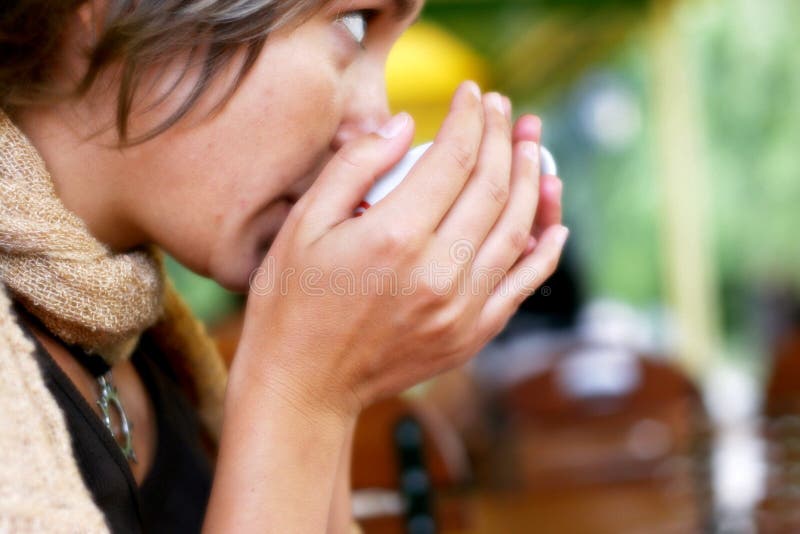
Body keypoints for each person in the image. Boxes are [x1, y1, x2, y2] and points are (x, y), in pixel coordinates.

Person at [0, 0, 568, 531]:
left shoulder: (144, 354)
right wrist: (301, 392)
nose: (376, 123)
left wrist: (334, 375)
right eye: (355, 23)